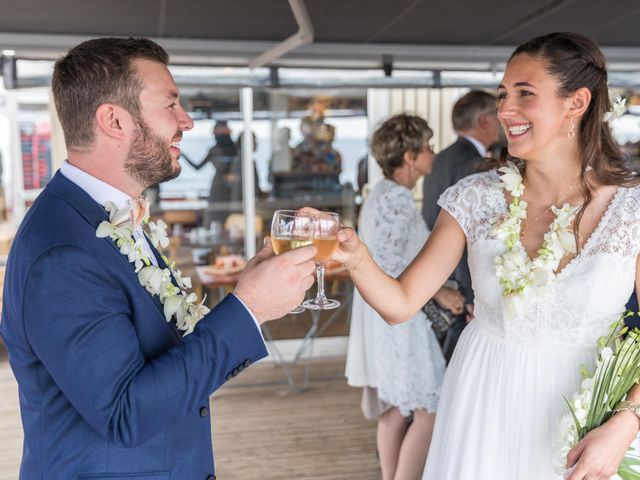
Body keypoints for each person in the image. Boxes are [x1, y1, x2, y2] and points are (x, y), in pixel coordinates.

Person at [0, 37, 317, 480]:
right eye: (170, 105)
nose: (186, 120)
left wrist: (251, 291)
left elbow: (164, 365)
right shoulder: (63, 253)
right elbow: (126, 412)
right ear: (113, 119)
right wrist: (248, 309)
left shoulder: (109, 216)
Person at [333, 32, 640, 479]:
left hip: (588, 418)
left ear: (576, 103)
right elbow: (400, 305)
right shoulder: (475, 199)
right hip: (483, 404)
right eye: (502, 95)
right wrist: (355, 256)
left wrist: (627, 423)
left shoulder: (631, 209)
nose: (505, 111)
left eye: (524, 94)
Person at [345, 114, 465, 480]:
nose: (433, 152)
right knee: (430, 410)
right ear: (410, 157)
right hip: (404, 323)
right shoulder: (394, 199)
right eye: (428, 146)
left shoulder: (383, 194)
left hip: (393, 319)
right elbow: (392, 264)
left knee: (397, 408)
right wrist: (443, 292)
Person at [421, 90, 501, 361]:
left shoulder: (442, 157)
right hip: (460, 279)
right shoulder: (474, 165)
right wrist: (470, 292)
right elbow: (471, 234)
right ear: (484, 121)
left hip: (437, 270)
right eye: (498, 113)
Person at [183, 120, 239, 224]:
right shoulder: (236, 149)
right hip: (232, 184)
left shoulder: (214, 150)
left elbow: (197, 167)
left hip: (218, 184)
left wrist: (183, 156)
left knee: (216, 213)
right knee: (228, 213)